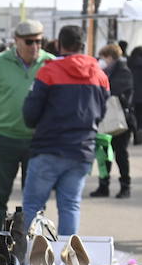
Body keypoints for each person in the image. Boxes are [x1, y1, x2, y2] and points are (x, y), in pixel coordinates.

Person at [22, 25, 110, 236]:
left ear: (59, 45)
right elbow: (101, 113)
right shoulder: (100, 75)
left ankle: (28, 258)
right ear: (82, 45)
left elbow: (30, 114)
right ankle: (68, 262)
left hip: (48, 148)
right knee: (70, 206)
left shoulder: (49, 71)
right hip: (82, 151)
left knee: (33, 207)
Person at [0, 20, 53, 225]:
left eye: (39, 41)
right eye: (29, 42)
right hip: (2, 140)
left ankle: (33, 246)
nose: (35, 46)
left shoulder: (51, 63)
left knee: (36, 200)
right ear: (16, 41)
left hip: (38, 143)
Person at [90, 44, 133, 199]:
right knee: (104, 154)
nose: (102, 60)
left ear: (110, 56)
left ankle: (125, 186)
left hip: (120, 121)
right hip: (105, 120)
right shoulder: (105, 71)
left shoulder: (123, 71)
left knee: (120, 154)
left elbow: (115, 91)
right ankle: (104, 185)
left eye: (103, 57)